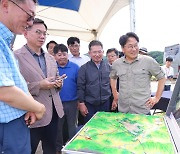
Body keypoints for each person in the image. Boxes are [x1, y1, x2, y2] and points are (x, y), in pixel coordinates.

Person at [0, 0, 46, 154]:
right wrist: (37, 107)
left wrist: (28, 105)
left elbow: (14, 81)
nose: (30, 22)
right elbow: (4, 90)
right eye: (29, 15)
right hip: (6, 128)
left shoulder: (5, 43)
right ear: (6, 5)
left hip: (17, 123)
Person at [14, 18, 64, 154]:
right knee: (28, 150)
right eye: (38, 32)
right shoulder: (16, 56)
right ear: (25, 33)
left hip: (54, 113)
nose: (42, 36)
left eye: (44, 33)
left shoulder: (50, 57)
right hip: (31, 114)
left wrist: (59, 83)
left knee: (51, 149)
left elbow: (56, 77)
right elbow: (13, 87)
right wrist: (39, 85)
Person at [110, 32, 166, 114]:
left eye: (136, 45)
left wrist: (157, 97)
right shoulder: (117, 64)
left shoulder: (148, 61)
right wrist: (115, 93)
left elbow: (162, 77)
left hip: (142, 111)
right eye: (130, 46)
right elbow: (112, 77)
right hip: (123, 110)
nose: (134, 49)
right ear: (122, 48)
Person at [77, 40, 111, 123]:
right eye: (94, 52)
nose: (97, 55)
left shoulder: (109, 67)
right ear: (89, 53)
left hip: (105, 103)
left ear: (103, 52)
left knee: (105, 127)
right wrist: (81, 103)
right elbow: (80, 87)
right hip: (90, 105)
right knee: (90, 128)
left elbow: (112, 85)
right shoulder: (84, 68)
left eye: (99, 52)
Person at [54, 44, 79, 152]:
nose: (62, 57)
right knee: (58, 128)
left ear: (67, 54)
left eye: (64, 54)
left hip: (72, 102)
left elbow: (80, 85)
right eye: (59, 55)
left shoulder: (75, 67)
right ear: (54, 56)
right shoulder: (52, 68)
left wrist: (79, 101)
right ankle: (58, 149)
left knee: (72, 126)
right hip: (56, 103)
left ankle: (72, 148)